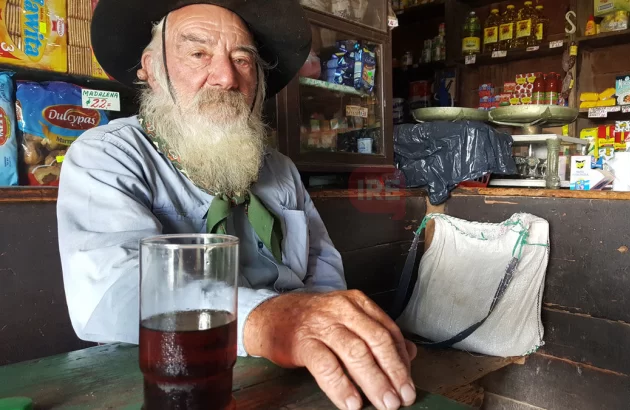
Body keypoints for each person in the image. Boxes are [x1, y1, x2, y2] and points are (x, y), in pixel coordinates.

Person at [58, 1, 416, 409]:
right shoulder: (107, 155)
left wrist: (334, 332)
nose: (226, 77)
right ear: (150, 69)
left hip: (296, 371)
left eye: (243, 60)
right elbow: (108, 290)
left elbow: (321, 265)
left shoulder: (279, 168)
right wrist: (271, 320)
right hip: (165, 379)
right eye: (198, 53)